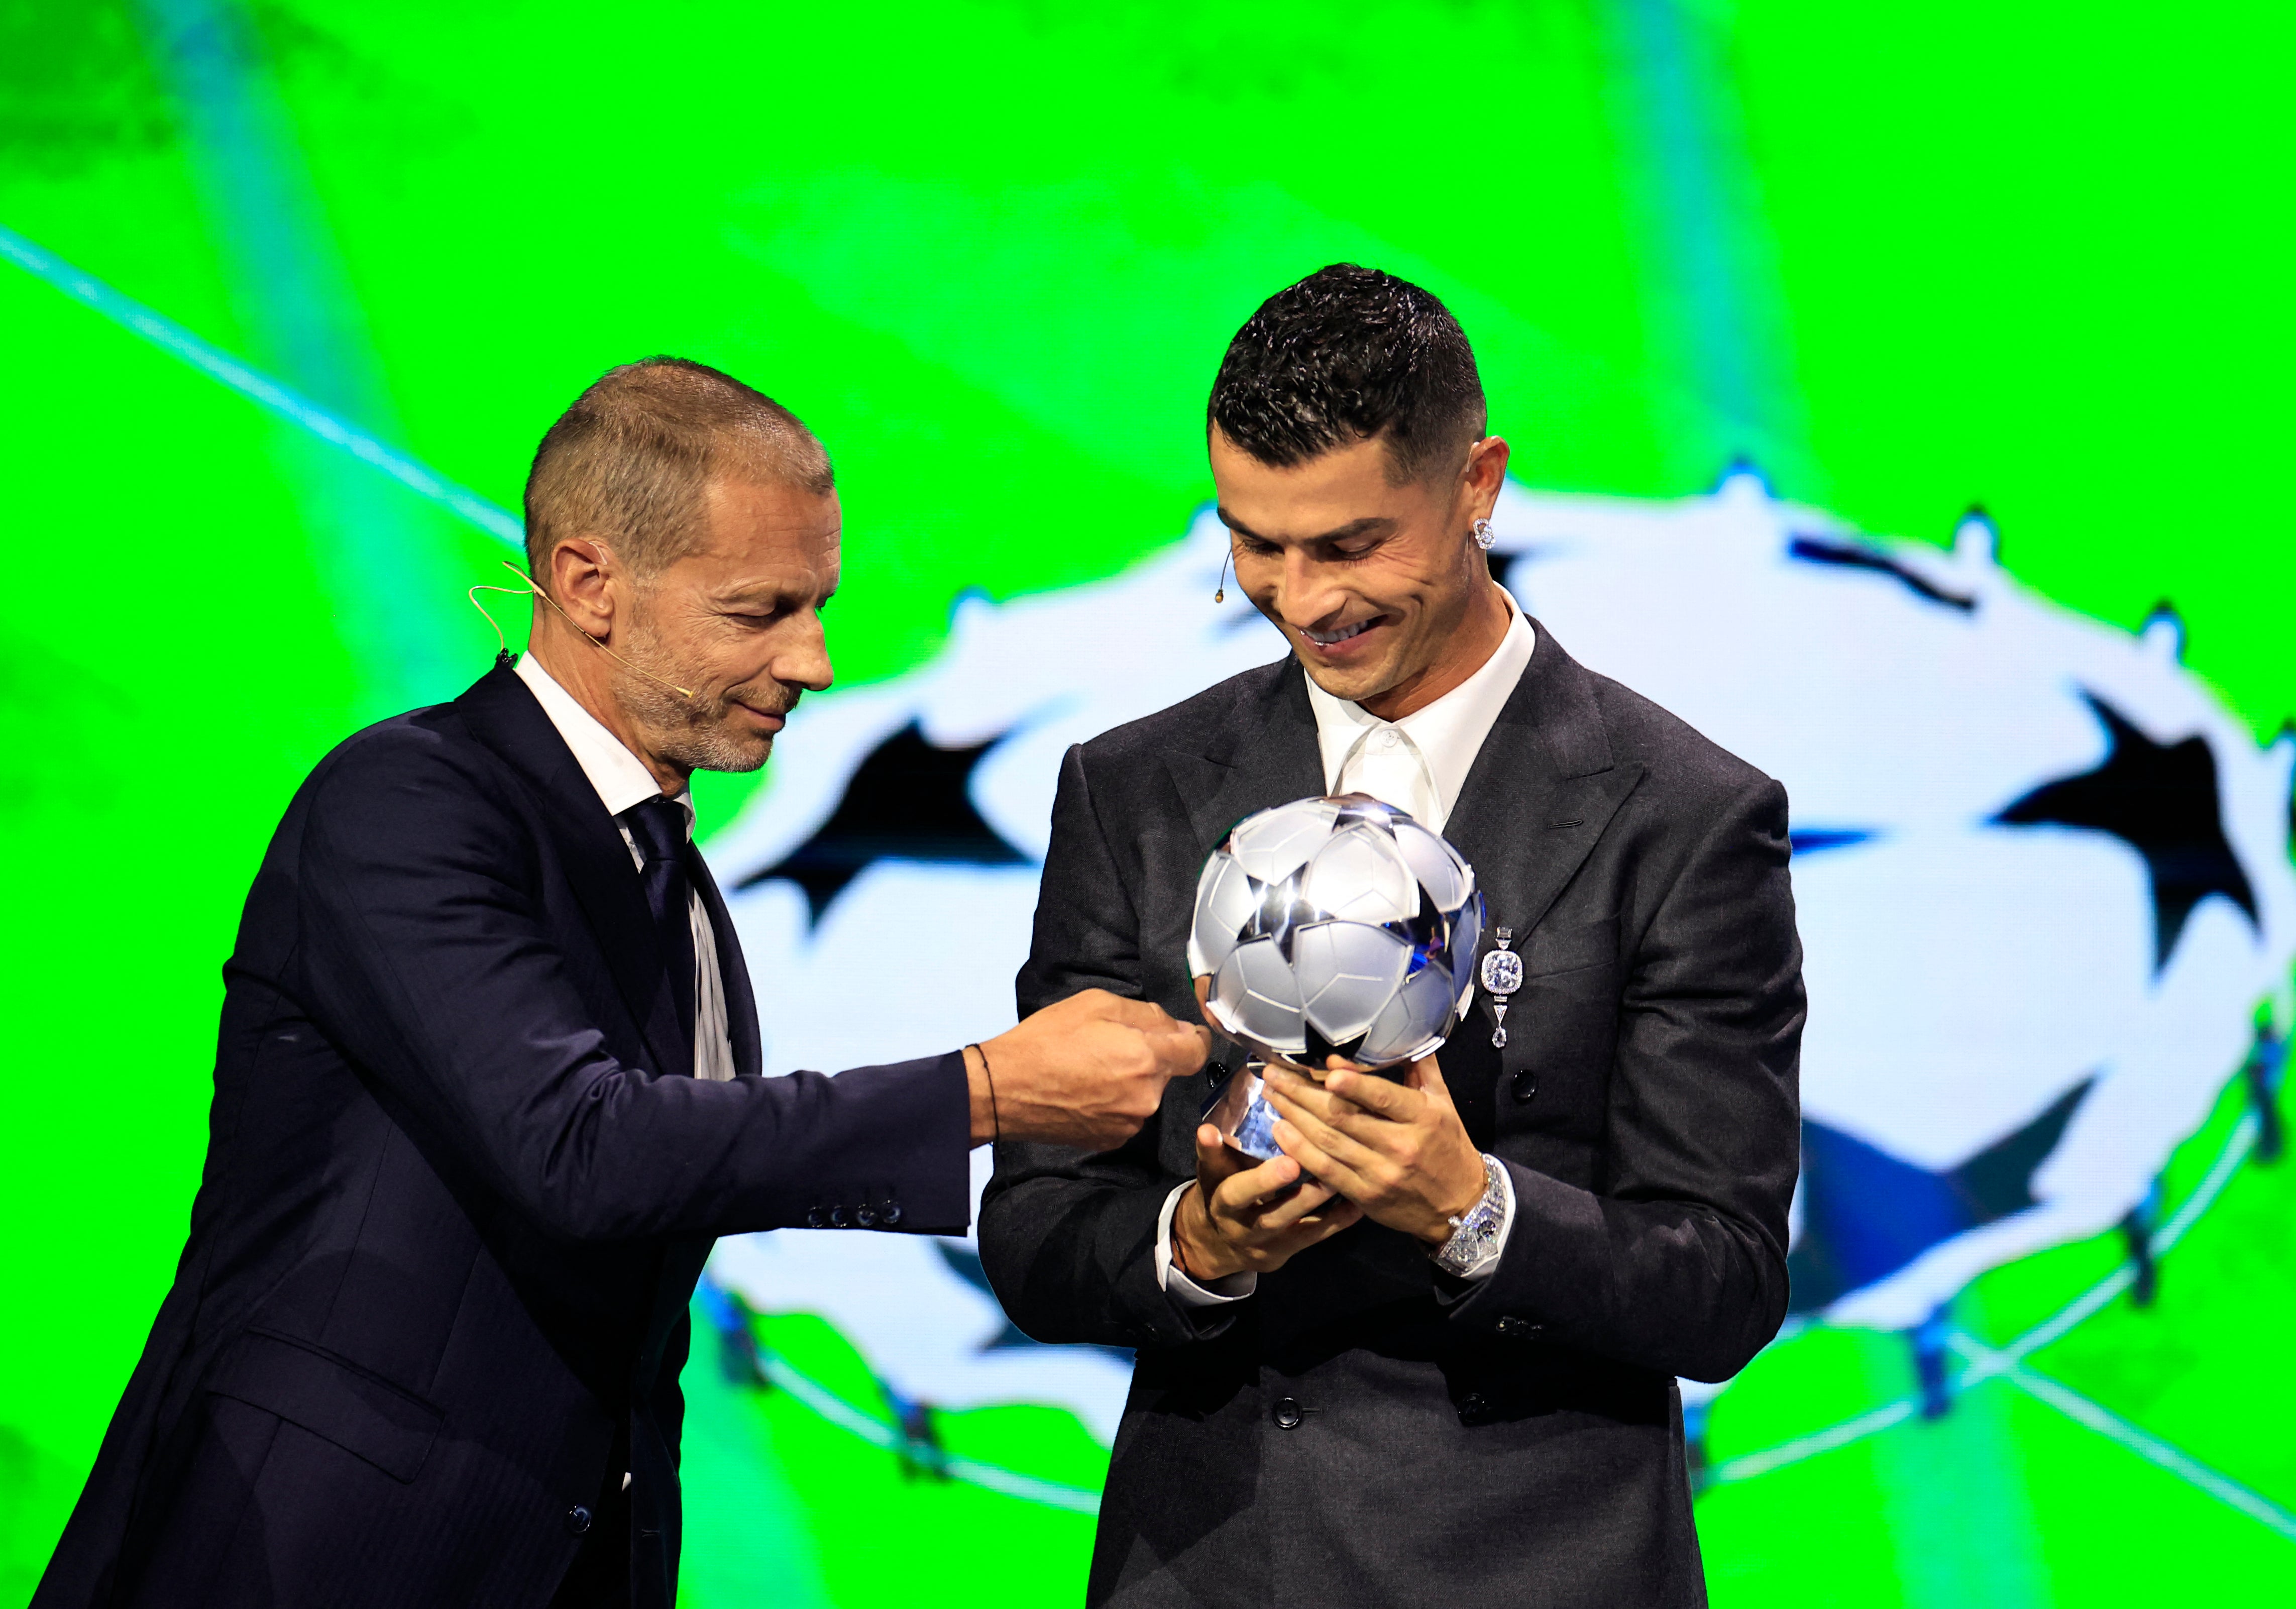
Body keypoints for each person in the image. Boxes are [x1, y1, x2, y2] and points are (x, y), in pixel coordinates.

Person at [35, 358, 1206, 1609]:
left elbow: (677, 1187)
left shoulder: (679, 881)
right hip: (318, 1553)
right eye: (759, 614)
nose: (813, 661)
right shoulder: (409, 802)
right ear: (591, 586)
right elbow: (580, 1146)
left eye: (819, 606)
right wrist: (986, 1091)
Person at [980, 266, 1804, 1605]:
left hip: (1540, 1564)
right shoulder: (1129, 790)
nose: (1301, 599)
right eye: (1254, 542)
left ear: (1475, 483)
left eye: (1350, 545)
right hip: (1212, 1561)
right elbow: (1032, 1227)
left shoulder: (1685, 815)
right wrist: (1196, 1242)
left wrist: (1469, 1209)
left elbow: (1718, 1280)